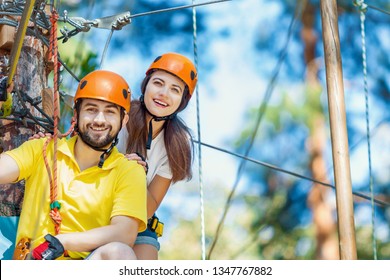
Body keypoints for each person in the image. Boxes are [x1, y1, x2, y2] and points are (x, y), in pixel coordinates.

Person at [0, 70, 147, 260]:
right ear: (76, 114)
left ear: (124, 120)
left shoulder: (129, 170)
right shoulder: (43, 149)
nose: (99, 120)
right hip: (32, 265)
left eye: (110, 111)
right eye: (91, 109)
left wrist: (64, 241)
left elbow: (124, 233)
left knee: (119, 253)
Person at [117, 52, 198, 259]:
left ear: (182, 101)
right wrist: (121, 167)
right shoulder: (119, 116)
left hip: (137, 219)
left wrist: (135, 177)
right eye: (158, 83)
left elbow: (148, 208)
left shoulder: (177, 144)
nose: (164, 93)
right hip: (97, 204)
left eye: (175, 89)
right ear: (146, 85)